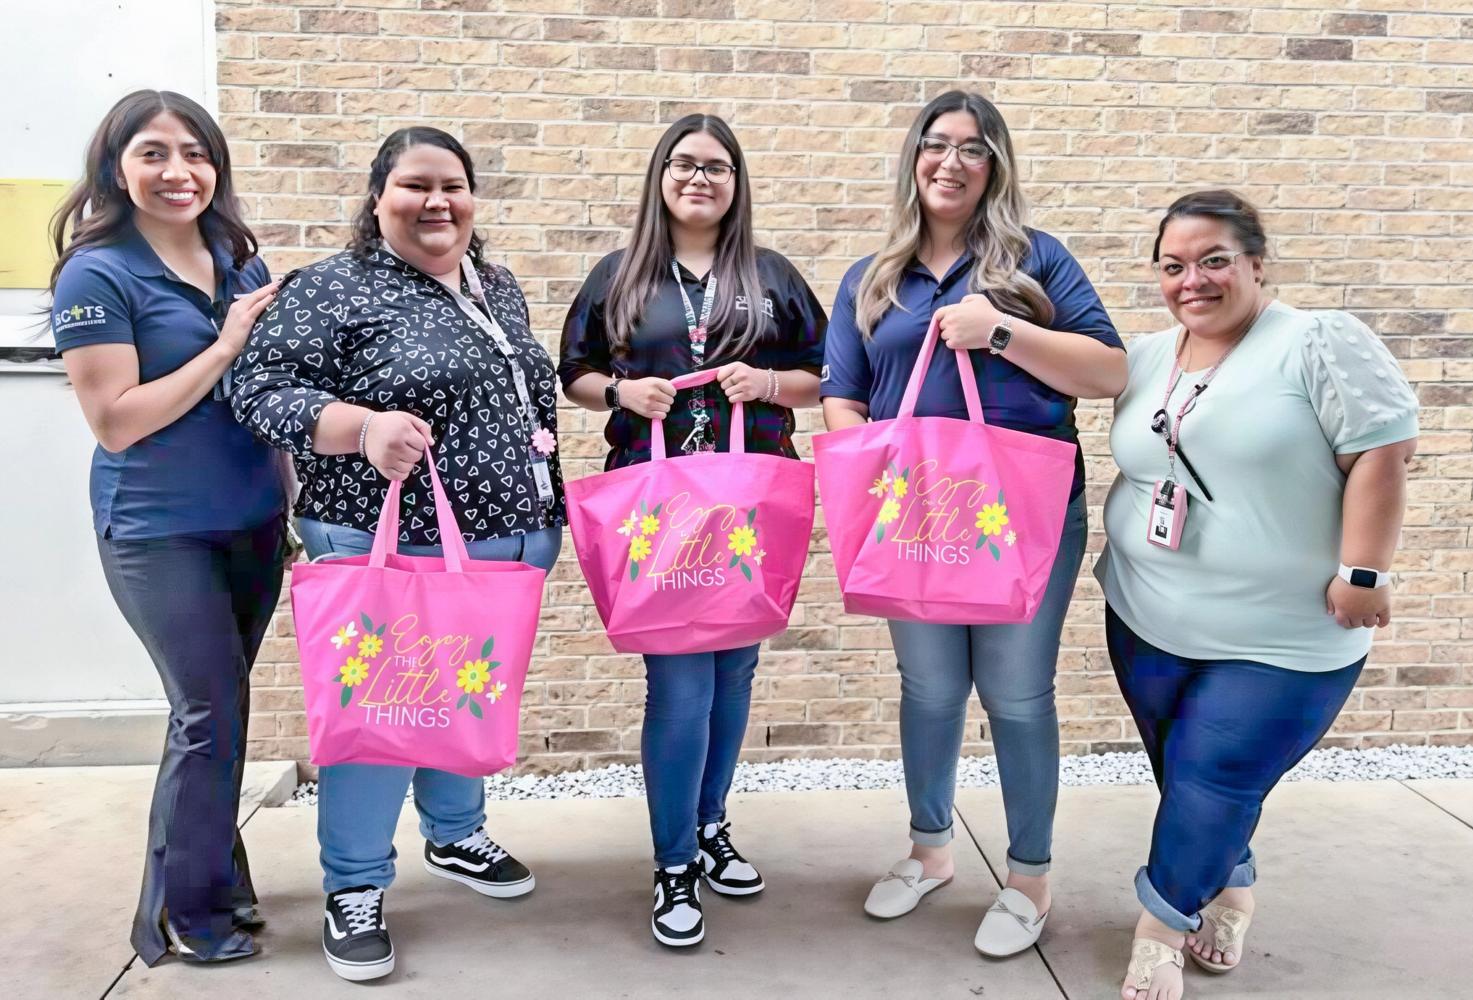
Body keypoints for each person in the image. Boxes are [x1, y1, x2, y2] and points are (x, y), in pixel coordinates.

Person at [231, 127, 566, 982]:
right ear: (378, 197)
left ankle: (454, 835)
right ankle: (354, 884)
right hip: (386, 545)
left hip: (500, 545)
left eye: (452, 185)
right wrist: (361, 426)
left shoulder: (493, 284)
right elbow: (258, 390)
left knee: (461, 701)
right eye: (415, 185)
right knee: (382, 721)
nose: (436, 202)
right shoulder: (331, 287)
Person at [820, 90, 1126, 957]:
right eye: (936, 143)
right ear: (912, 158)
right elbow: (843, 395)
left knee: (1017, 692)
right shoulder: (872, 278)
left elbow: (1107, 372)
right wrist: (877, 476)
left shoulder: (1036, 261)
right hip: (912, 514)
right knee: (928, 688)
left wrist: (998, 331)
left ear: (995, 166)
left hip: (1022, 513)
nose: (950, 162)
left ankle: (1028, 876)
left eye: (972, 148)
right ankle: (930, 850)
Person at [1094, 190, 1418, 1000]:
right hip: (1144, 612)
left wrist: (1364, 572)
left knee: (1218, 775)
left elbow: (1382, 452)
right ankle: (1230, 888)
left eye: (1213, 261)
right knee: (1183, 773)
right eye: (1172, 266)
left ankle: (1159, 927)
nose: (1191, 281)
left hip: (1282, 631)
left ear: (1255, 264)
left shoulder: (1316, 341)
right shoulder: (1146, 356)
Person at [559, 113, 826, 947]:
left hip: (748, 504)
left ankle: (710, 826)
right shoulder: (618, 275)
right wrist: (621, 393)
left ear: (736, 182)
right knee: (679, 686)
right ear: (660, 176)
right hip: (658, 508)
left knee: (735, 672)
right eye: (684, 163)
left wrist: (769, 383)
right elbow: (573, 372)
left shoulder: (772, 276)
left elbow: (824, 375)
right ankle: (673, 863)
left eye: (716, 166)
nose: (699, 178)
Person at [50, 90, 287, 965]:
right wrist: (223, 346)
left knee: (225, 710)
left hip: (253, 521)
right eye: (153, 152)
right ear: (117, 167)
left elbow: (266, 400)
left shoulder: (239, 262)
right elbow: (116, 420)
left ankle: (215, 878)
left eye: (195, 152)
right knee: (206, 709)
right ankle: (181, 914)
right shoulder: (96, 274)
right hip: (159, 530)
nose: (177, 171)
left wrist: (293, 503)